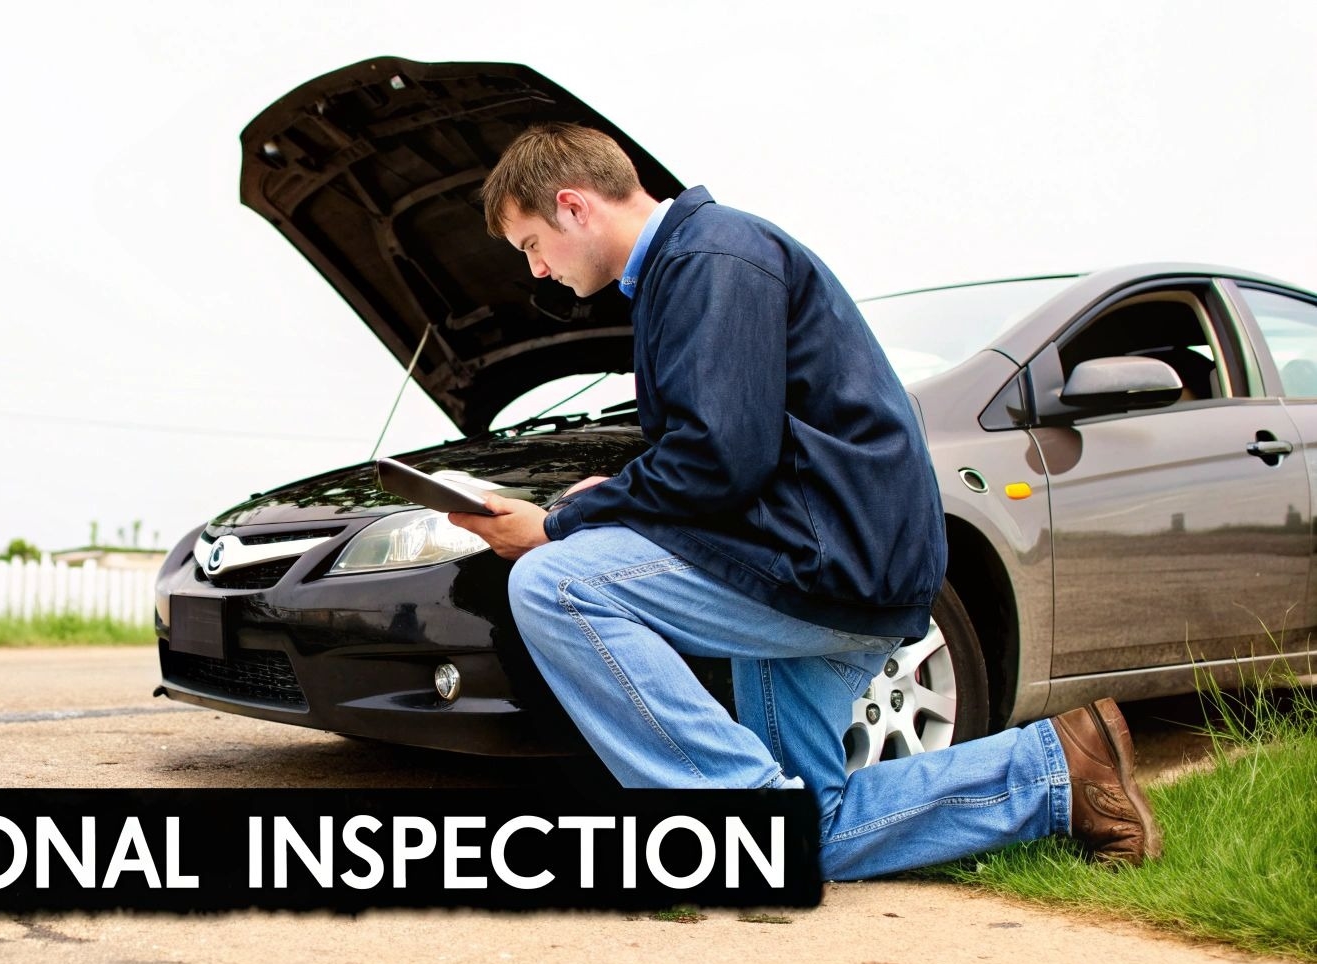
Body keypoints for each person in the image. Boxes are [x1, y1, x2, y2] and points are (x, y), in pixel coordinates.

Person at [448, 123, 1161, 880]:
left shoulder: (711, 258)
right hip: (831, 558)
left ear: (574, 207)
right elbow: (729, 445)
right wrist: (615, 495)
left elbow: (720, 460)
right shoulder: (697, 263)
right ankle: (1060, 772)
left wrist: (562, 520)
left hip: (819, 562)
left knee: (555, 581)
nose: (536, 270)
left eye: (531, 245)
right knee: (811, 824)